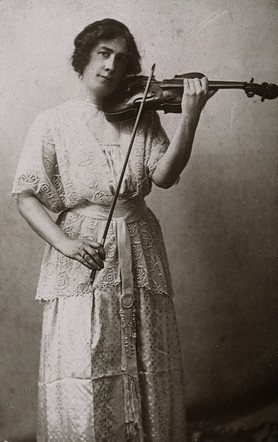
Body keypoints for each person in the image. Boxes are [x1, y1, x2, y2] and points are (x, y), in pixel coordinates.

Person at [12, 18, 214, 442]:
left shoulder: (142, 116)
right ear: (84, 57)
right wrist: (65, 242)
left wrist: (190, 119)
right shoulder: (52, 122)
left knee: (146, 355)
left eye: (121, 59)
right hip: (84, 250)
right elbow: (26, 195)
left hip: (139, 244)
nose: (110, 65)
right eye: (103, 53)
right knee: (85, 359)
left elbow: (162, 177)